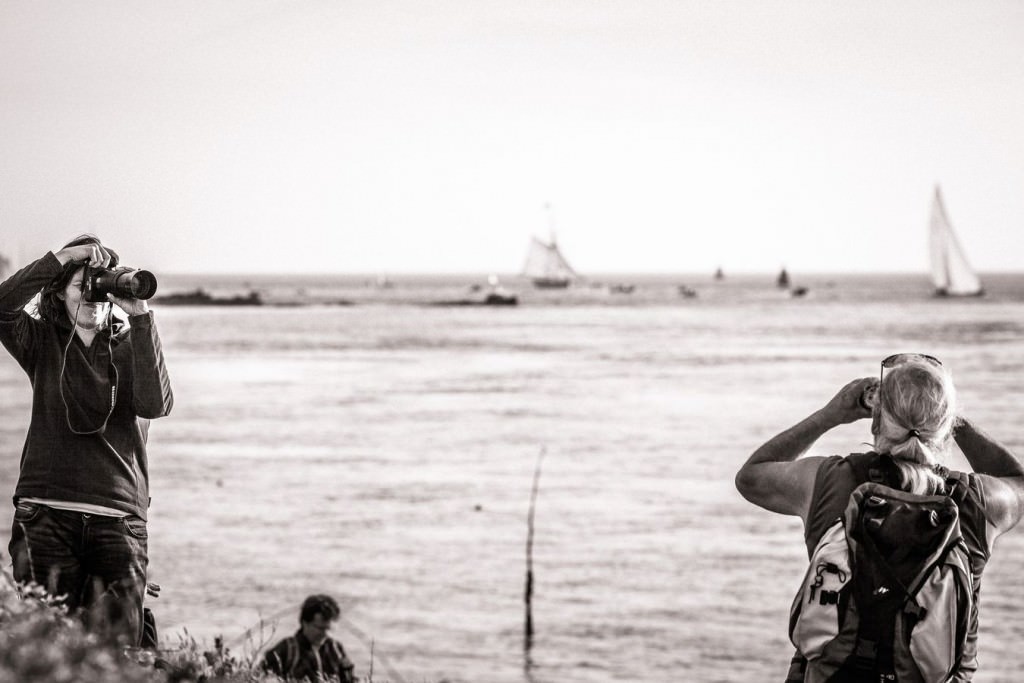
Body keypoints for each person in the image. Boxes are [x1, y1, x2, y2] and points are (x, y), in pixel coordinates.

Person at [735, 353, 1024, 681]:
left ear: (875, 422)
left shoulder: (831, 482)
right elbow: (1019, 483)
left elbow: (751, 477)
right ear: (945, 428)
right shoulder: (975, 502)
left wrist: (832, 414)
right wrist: (950, 416)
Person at [0, 235, 173, 646]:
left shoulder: (132, 344)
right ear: (59, 294)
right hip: (47, 514)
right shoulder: (42, 342)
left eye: (102, 286)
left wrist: (141, 317)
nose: (94, 296)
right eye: (83, 286)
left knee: (117, 654)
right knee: (46, 647)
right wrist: (62, 259)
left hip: (117, 520)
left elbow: (156, 403)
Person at [262, 594, 356, 682]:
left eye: (329, 629)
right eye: (320, 628)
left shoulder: (336, 649)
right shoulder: (287, 650)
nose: (325, 634)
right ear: (304, 623)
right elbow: (260, 677)